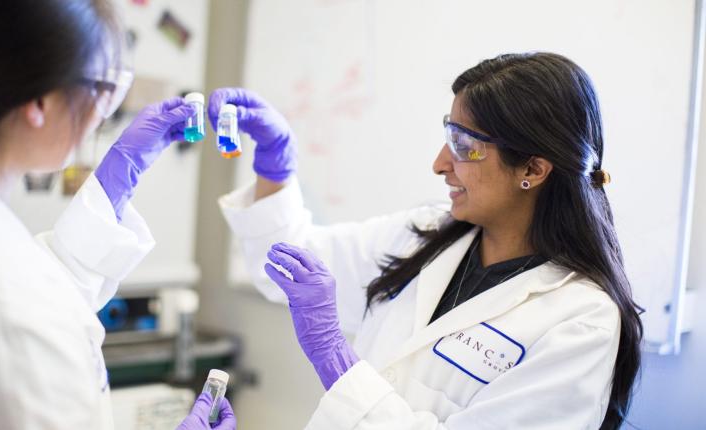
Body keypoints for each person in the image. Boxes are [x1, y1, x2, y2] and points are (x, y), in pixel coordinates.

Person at [211, 52, 642, 429]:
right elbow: (288, 265)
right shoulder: (425, 235)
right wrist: (274, 161)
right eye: (448, 135)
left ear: (532, 169)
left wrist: (335, 360)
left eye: (464, 144)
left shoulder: (581, 322)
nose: (439, 164)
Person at [0, 1, 234, 429]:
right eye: (103, 90)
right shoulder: (8, 311)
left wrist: (112, 188)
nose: (102, 114)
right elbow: (24, 304)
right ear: (39, 101)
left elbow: (47, 287)